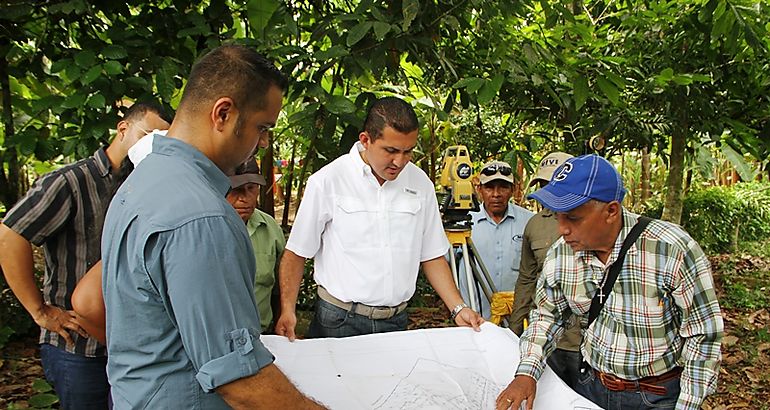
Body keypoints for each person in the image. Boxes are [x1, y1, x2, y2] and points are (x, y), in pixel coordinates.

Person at [100, 44, 321, 408]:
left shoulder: (142, 182)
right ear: (223, 114)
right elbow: (240, 380)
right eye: (262, 128)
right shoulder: (201, 217)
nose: (263, 143)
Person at [496, 154, 723, 410]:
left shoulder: (670, 250)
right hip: (592, 386)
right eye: (557, 216)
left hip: (656, 395)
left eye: (572, 218)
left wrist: (687, 405)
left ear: (611, 211)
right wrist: (526, 373)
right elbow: (547, 317)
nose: (562, 229)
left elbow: (703, 335)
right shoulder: (562, 255)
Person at [0, 102, 170, 409]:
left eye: (164, 138)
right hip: (77, 346)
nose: (155, 143)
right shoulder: (71, 182)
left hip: (127, 347)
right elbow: (11, 234)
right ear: (123, 129)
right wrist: (39, 311)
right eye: (150, 133)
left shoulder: (143, 184)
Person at [275, 96, 484, 340]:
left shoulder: (420, 184)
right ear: (366, 140)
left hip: (396, 322)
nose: (399, 161)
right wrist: (287, 309)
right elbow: (296, 253)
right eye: (391, 151)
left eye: (408, 152)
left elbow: (432, 256)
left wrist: (458, 308)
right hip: (338, 321)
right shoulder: (328, 181)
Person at [510, 151, 583, 388]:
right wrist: (514, 328)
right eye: (543, 185)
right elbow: (526, 279)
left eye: (552, 183)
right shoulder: (535, 224)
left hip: (585, 343)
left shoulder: (591, 221)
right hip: (548, 340)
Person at [456, 160, 533, 319]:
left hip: (518, 319)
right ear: (479, 190)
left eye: (503, 187)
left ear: (512, 189)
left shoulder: (529, 222)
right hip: (473, 318)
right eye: (489, 187)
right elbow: (444, 265)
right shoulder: (462, 224)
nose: (496, 194)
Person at [226, 157, 285, 332]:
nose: (244, 199)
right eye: (236, 190)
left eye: (251, 189)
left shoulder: (270, 228)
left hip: (263, 333)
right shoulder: (204, 228)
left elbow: (279, 287)